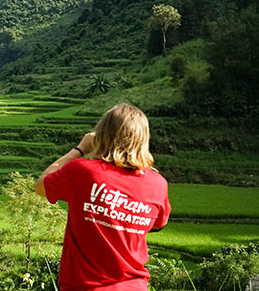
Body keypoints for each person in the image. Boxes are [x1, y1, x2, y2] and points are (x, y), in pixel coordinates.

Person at [34, 103, 170, 290]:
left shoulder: (82, 172)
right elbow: (158, 224)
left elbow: (41, 186)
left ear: (102, 135)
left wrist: (79, 149)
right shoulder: (158, 183)